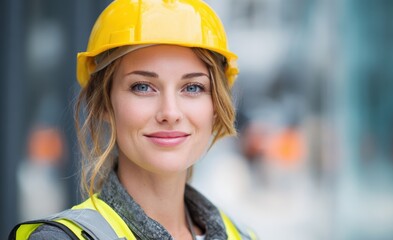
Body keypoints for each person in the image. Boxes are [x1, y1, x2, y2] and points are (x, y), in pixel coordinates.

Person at [9, 0, 257, 239]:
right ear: (105, 102)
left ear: (216, 104)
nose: (170, 113)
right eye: (143, 87)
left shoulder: (242, 236)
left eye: (192, 88)